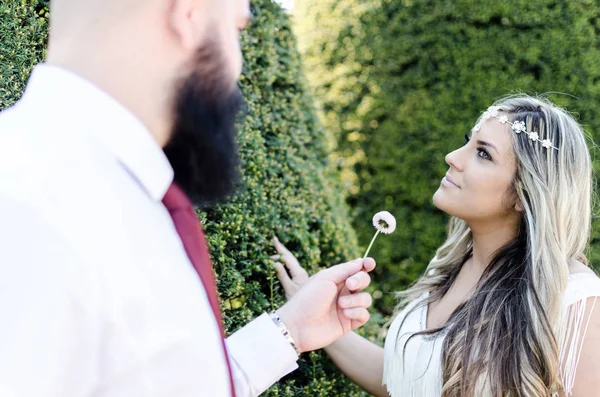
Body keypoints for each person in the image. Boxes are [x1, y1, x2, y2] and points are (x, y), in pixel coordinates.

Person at [0, 0, 377, 396]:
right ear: (190, 15)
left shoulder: (92, 190)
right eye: (237, 29)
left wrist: (291, 332)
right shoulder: (28, 205)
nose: (239, 70)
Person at [275, 95, 600, 396]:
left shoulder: (574, 297)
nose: (452, 157)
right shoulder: (448, 266)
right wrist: (315, 315)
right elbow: (405, 381)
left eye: (483, 154)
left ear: (524, 193)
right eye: (466, 143)